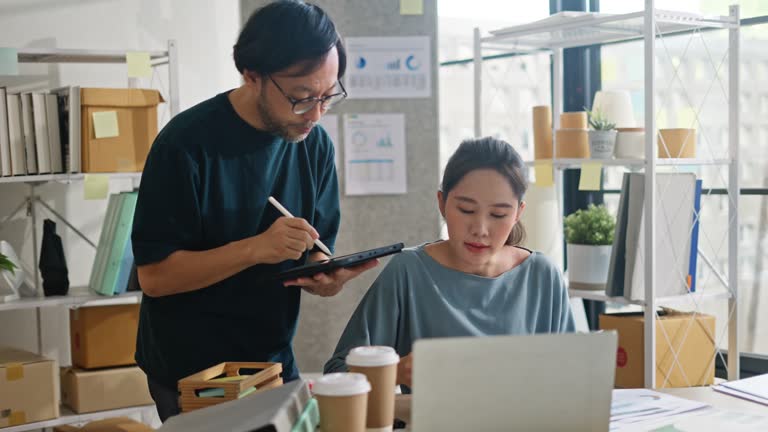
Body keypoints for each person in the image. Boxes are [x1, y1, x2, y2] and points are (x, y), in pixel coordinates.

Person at [131, 1, 377, 422]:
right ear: (252, 76)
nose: (316, 114)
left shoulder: (315, 146)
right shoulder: (186, 145)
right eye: (302, 99)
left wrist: (323, 273)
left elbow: (316, 247)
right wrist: (255, 249)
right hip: (193, 367)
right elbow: (155, 278)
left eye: (328, 96)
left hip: (272, 358)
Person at [324, 137, 575, 388]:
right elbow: (338, 372)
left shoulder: (543, 276)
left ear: (518, 213)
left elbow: (571, 376)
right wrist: (395, 372)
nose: (480, 229)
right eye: (466, 210)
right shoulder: (408, 272)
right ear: (442, 203)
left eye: (498, 214)